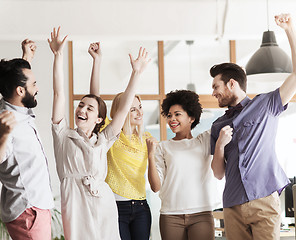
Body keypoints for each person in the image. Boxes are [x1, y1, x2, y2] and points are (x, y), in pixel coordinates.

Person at [48, 27, 150, 240]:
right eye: (80, 105)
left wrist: (136, 73)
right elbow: (59, 94)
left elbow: (122, 110)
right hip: (75, 202)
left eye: (89, 108)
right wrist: (58, 55)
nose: (82, 110)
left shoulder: (103, 140)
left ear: (99, 120)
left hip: (103, 202)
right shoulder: (63, 135)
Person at [209, 13, 296, 240]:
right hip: (232, 204)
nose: (213, 93)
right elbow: (218, 173)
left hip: (264, 199)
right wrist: (219, 146)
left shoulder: (266, 104)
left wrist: (289, 30)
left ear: (232, 83)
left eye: (216, 86)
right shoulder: (218, 125)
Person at [0, 39, 54, 239]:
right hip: (28, 209)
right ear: (20, 90)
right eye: (34, 84)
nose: (37, 88)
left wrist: (25, 60)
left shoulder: (13, 101)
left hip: (35, 205)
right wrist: (4, 133)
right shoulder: (4, 122)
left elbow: (17, 82)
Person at [88, 42, 152, 240]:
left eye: (139, 107)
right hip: (115, 206)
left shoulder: (147, 139)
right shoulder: (111, 135)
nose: (139, 112)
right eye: (132, 108)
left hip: (141, 206)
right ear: (121, 112)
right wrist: (97, 61)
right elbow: (94, 100)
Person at [146, 90, 220, 240]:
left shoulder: (204, 140)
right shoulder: (162, 147)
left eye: (177, 114)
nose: (172, 119)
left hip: (201, 214)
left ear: (191, 117)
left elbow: (229, 122)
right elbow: (155, 187)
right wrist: (150, 155)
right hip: (170, 216)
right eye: (169, 115)